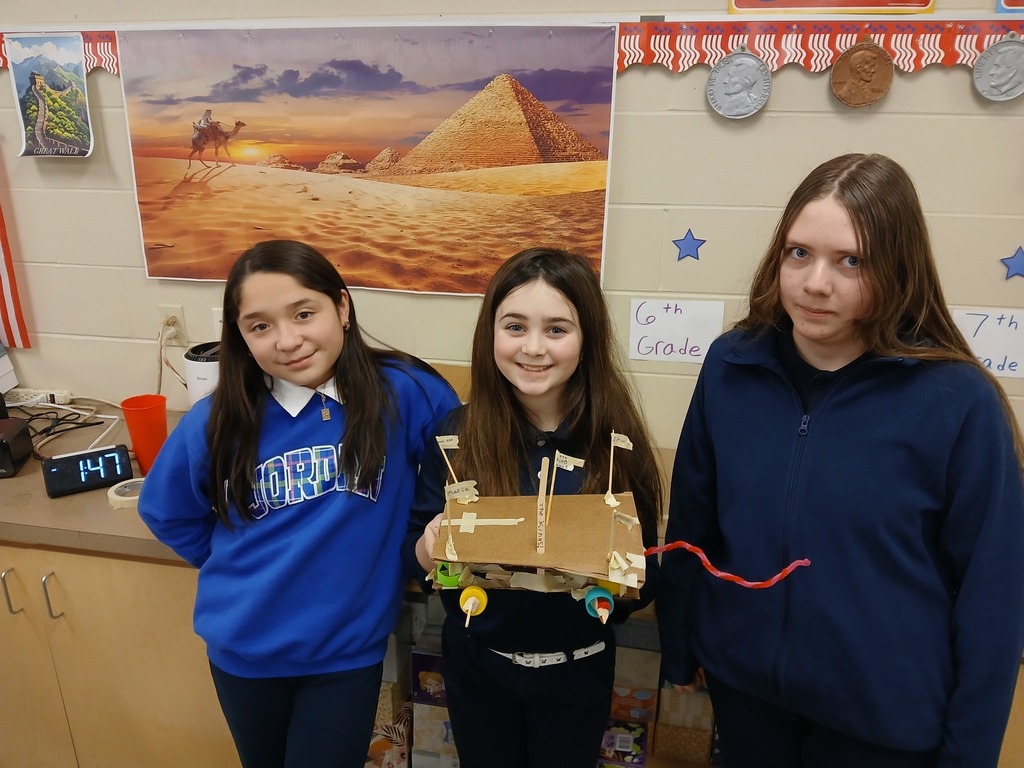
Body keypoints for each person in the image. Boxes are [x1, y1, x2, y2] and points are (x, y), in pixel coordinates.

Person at [657, 153, 1024, 768]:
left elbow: (994, 601)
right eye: (799, 253)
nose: (815, 282)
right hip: (746, 695)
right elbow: (694, 519)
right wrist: (680, 644)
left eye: (850, 260)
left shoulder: (959, 403)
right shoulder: (730, 364)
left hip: (883, 724)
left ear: (897, 267)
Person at [138, 239, 460, 768]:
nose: (287, 340)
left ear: (343, 306)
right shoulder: (217, 420)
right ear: (240, 337)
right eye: (259, 326)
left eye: (304, 313)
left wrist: (405, 547)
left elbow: (463, 459)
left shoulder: (405, 391)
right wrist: (231, 566)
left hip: (345, 652)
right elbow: (166, 510)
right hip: (243, 650)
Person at [401, 247, 663, 768]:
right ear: (490, 335)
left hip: (577, 673)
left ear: (587, 339)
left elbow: (643, 582)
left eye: (557, 330)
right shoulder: (456, 435)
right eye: (515, 326)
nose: (534, 348)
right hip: (479, 669)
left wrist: (619, 573)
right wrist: (431, 549)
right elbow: (414, 558)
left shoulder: (616, 446)